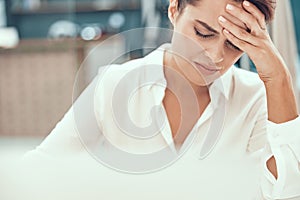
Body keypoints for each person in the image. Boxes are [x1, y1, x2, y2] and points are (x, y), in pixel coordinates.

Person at [23, 0, 300, 199]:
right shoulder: (115, 85)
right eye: (203, 33)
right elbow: (39, 171)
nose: (215, 56)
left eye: (234, 44)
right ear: (173, 9)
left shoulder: (255, 99)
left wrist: (279, 78)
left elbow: (284, 192)